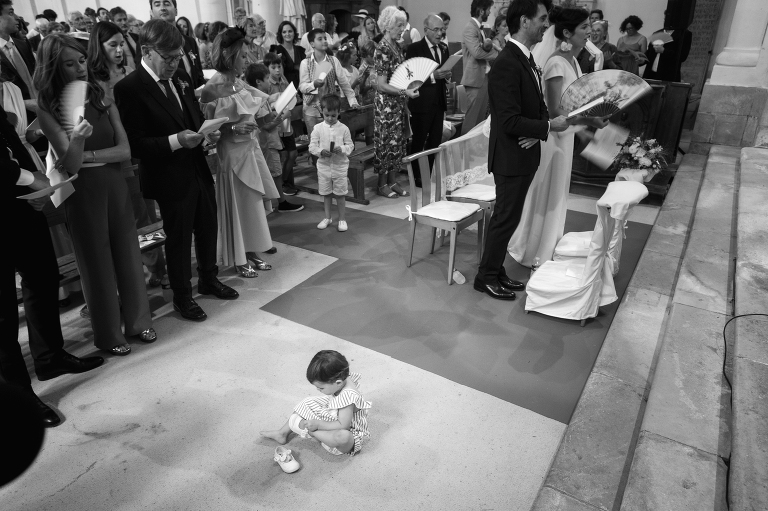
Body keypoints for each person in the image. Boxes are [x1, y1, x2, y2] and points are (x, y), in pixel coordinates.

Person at [35, 34, 156, 354]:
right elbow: (69, 163)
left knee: (129, 255)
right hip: (82, 195)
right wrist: (76, 140)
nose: (79, 68)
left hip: (115, 185)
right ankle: (109, 335)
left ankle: (139, 322)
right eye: (69, 64)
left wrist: (86, 157)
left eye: (82, 60)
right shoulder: (47, 107)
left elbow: (125, 150)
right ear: (54, 68)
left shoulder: (101, 94)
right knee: (96, 265)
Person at [115, 19, 236, 322]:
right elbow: (136, 143)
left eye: (177, 56)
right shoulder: (129, 88)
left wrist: (206, 133)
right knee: (179, 237)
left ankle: (208, 278)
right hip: (167, 173)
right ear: (146, 50)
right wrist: (176, 140)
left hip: (195, 164)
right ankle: (182, 296)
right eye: (167, 57)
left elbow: (191, 119)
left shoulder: (180, 76)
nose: (173, 64)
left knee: (208, 225)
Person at [0, 107, 104, 427]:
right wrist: (32, 179)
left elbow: (10, 143)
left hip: (20, 206)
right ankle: (18, 394)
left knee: (43, 277)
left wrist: (39, 188)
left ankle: (49, 357)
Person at [474, 0, 571, 301]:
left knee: (511, 218)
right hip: (510, 156)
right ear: (525, 21)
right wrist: (547, 128)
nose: (546, 25)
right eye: (542, 19)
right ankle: (485, 277)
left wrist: (539, 127)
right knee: (505, 218)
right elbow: (508, 120)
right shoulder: (506, 63)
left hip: (523, 152)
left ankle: (496, 269)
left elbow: (538, 107)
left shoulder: (526, 59)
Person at [508, 6, 609, 267]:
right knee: (548, 195)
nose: (590, 32)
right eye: (585, 27)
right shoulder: (555, 62)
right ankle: (535, 249)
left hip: (567, 136)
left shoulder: (573, 61)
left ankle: (550, 243)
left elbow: (574, 104)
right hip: (554, 140)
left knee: (559, 194)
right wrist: (589, 119)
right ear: (567, 32)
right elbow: (555, 111)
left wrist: (592, 117)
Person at [201, 29, 279, 279]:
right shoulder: (212, 88)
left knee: (252, 204)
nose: (247, 61)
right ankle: (238, 256)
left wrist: (273, 111)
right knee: (237, 204)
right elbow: (207, 129)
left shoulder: (239, 82)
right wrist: (232, 127)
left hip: (250, 148)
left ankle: (253, 249)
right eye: (243, 56)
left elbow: (256, 108)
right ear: (229, 55)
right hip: (232, 153)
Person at [261, 350, 372, 457]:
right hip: (334, 413)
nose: (318, 390)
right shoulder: (343, 377)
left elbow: (343, 425)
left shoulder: (347, 398)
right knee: (307, 402)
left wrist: (318, 425)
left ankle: (311, 432)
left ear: (338, 383)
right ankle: (282, 433)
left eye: (321, 388)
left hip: (347, 433)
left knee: (344, 437)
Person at [246, 59, 304, 213]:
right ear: (258, 82)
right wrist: (282, 116)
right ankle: (281, 203)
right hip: (268, 142)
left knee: (272, 173)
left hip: (269, 141)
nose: (268, 81)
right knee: (275, 173)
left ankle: (271, 203)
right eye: (266, 79)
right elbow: (265, 125)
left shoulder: (259, 97)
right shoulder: (258, 100)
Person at [373, 6, 417, 199]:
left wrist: (405, 99)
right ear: (388, 26)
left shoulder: (397, 47)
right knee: (385, 144)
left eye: (403, 25)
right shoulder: (382, 48)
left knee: (396, 143)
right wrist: (404, 91)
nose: (402, 29)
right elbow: (381, 85)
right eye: (399, 26)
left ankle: (392, 181)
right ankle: (381, 184)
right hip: (385, 105)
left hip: (397, 103)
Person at [406, 13, 451, 187]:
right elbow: (411, 76)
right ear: (426, 30)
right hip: (421, 102)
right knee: (419, 141)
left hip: (438, 102)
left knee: (434, 141)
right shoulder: (415, 49)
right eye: (436, 29)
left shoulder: (444, 48)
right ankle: (417, 176)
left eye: (442, 29)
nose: (440, 33)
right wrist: (433, 75)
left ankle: (430, 173)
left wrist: (446, 76)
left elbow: (444, 72)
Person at [299, 28, 359, 158]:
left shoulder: (333, 60)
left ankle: (332, 170)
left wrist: (353, 101)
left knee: (332, 142)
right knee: (315, 144)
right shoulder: (305, 63)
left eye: (325, 38)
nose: (324, 41)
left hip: (330, 108)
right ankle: (319, 172)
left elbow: (345, 84)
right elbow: (302, 87)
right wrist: (313, 84)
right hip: (312, 109)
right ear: (312, 43)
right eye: (320, 39)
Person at [309, 94, 354, 231]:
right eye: (327, 115)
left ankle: (342, 219)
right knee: (326, 193)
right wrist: (321, 151)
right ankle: (327, 217)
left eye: (333, 116)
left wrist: (342, 148)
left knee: (340, 194)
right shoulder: (317, 128)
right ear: (322, 111)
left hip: (340, 166)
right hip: (323, 166)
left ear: (338, 113)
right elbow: (312, 147)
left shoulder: (344, 128)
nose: (330, 118)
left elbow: (350, 146)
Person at [149, 0, 205, 89]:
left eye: (167, 4)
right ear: (151, 12)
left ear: (176, 11)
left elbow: (198, 73)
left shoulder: (190, 41)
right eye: (157, 4)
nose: (163, 8)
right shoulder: (149, 43)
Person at [461, 0, 498, 134]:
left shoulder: (478, 28)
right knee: (472, 120)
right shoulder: (470, 27)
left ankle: (473, 150)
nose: (489, 12)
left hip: (483, 78)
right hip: (474, 79)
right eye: (488, 9)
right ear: (481, 10)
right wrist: (497, 55)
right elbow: (476, 52)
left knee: (480, 119)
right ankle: (464, 152)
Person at [0, 0, 37, 115]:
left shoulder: (23, 44)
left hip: (40, 110)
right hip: (14, 118)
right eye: (11, 13)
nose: (17, 18)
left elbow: (34, 76)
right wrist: (23, 104)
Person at [643, 10, 692, 82]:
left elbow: (682, 57)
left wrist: (664, 51)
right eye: (665, 18)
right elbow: (650, 53)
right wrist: (641, 60)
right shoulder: (657, 33)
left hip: (668, 76)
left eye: (668, 19)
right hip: (651, 75)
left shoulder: (684, 34)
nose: (666, 21)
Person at [270, 20, 305, 89]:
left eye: (290, 31)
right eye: (284, 32)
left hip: (302, 87)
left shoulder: (300, 50)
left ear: (294, 33)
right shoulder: (276, 50)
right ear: (280, 34)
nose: (287, 34)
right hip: (285, 88)